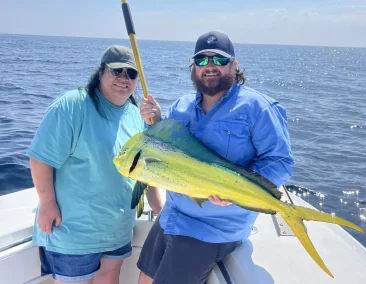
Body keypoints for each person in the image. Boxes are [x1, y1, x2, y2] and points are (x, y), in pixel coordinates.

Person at [138, 31, 294, 284]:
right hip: (172, 215)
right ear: (193, 68)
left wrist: (233, 191)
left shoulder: (258, 107)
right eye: (202, 61)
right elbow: (163, 149)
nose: (210, 66)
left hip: (210, 229)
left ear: (234, 65)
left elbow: (281, 162)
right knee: (144, 278)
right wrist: (154, 121)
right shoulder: (180, 106)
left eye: (219, 60)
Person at [28, 45, 163, 284]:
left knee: (110, 278)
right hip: (73, 230)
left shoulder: (137, 116)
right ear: (101, 72)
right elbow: (40, 158)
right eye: (116, 71)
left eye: (131, 74)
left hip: (117, 229)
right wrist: (47, 203)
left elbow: (145, 167)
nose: (124, 79)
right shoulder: (72, 105)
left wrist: (157, 204)